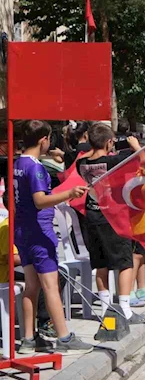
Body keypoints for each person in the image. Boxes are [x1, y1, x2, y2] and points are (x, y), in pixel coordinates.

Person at [14, 120, 94, 354]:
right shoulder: (36, 168)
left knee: (31, 286)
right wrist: (69, 193)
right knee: (51, 286)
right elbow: (40, 200)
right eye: (49, 139)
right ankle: (64, 337)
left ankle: (28, 339)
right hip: (40, 231)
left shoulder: (18, 163)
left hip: (23, 230)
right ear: (43, 140)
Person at [76, 123, 145, 324]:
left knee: (101, 264)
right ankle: (125, 310)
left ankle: (105, 309)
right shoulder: (115, 161)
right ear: (109, 142)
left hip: (92, 216)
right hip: (114, 217)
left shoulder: (81, 163)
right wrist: (135, 146)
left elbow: (86, 158)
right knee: (124, 263)